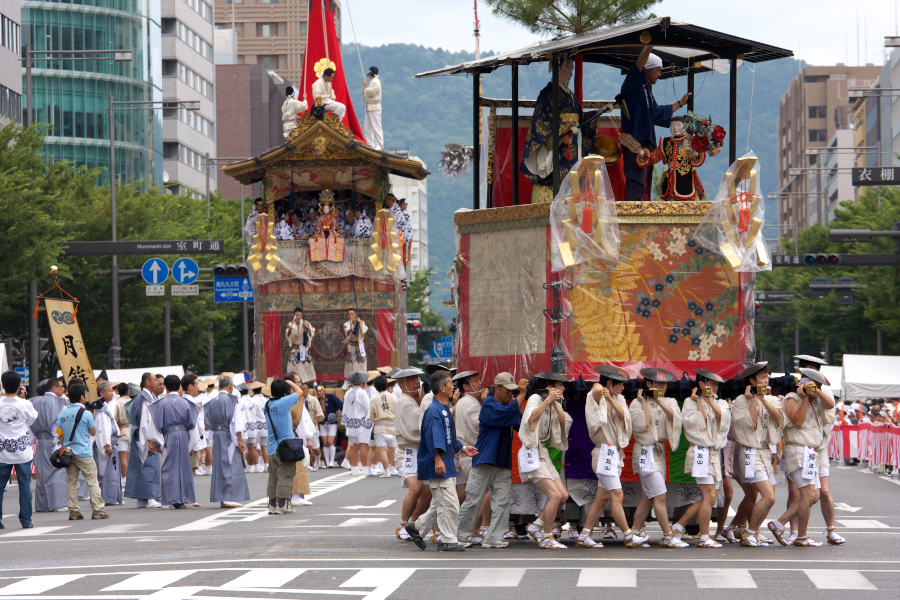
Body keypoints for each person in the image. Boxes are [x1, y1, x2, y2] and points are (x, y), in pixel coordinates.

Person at [405, 370, 479, 551]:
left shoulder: (444, 409)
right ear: (442, 388)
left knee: (441, 502)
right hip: (438, 463)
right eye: (450, 383)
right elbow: (433, 438)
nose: (454, 386)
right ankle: (448, 539)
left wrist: (462, 448)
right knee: (450, 502)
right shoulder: (434, 411)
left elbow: (449, 437)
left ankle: (416, 527)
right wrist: (438, 459)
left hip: (445, 462)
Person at [579, 366, 648, 549]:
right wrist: (602, 389)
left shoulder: (619, 399)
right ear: (610, 383)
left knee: (602, 498)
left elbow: (625, 417)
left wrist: (611, 398)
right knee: (617, 494)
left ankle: (585, 535)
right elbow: (596, 389)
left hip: (615, 453)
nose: (623, 388)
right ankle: (628, 535)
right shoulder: (594, 396)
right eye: (620, 384)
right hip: (603, 452)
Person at [456, 372, 526, 549]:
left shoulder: (508, 407)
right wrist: (522, 396)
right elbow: (504, 415)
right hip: (485, 459)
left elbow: (522, 424)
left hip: (502, 461)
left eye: (514, 391)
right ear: (499, 388)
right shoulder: (488, 404)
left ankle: (494, 537)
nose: (511, 393)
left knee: (502, 501)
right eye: (508, 390)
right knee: (473, 499)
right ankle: (461, 535)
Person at [768, 368, 833, 547]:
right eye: (813, 385)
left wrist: (817, 392)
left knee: (814, 495)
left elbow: (831, 405)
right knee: (807, 494)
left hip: (811, 452)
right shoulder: (792, 398)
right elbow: (798, 421)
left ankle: (779, 523)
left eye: (818, 386)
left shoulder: (816, 399)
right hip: (798, 450)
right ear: (802, 384)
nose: (815, 389)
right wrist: (804, 398)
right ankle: (801, 536)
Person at [619, 45, 691, 201]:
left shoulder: (646, 89)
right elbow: (638, 66)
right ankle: (633, 222)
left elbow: (656, 114)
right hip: (635, 146)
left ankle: (641, 220)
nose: (659, 74)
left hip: (646, 148)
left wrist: (680, 103)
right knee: (636, 185)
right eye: (657, 70)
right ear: (647, 69)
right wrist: (649, 43)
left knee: (644, 186)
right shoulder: (633, 85)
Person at [520, 58, 596, 203]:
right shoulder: (547, 94)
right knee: (553, 181)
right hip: (556, 148)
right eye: (566, 69)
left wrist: (596, 114)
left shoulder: (570, 95)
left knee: (573, 179)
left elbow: (580, 118)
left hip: (572, 145)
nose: (570, 73)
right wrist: (564, 129)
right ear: (556, 69)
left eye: (571, 69)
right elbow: (541, 123)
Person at [629, 368, 686, 548]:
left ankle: (635, 532)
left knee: (649, 496)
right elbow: (641, 425)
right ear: (649, 384)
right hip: (645, 451)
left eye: (664, 384)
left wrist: (658, 401)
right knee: (660, 496)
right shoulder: (636, 403)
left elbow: (676, 418)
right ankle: (668, 535)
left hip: (659, 451)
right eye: (658, 383)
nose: (662, 387)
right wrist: (645, 402)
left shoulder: (669, 401)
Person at [731, 362, 784, 547]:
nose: (766, 379)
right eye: (761, 377)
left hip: (765, 452)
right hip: (750, 452)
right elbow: (750, 423)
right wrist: (752, 399)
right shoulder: (740, 401)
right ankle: (750, 532)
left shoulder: (772, 399)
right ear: (752, 380)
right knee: (768, 496)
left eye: (767, 376)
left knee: (760, 495)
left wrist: (762, 399)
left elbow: (779, 419)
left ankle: (751, 529)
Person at [677, 369, 732, 548]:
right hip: (700, 452)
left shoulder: (722, 402)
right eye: (711, 383)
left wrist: (708, 401)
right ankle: (704, 536)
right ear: (701, 384)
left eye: (717, 384)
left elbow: (722, 420)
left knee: (710, 496)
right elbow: (694, 424)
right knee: (708, 495)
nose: (715, 387)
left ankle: (678, 527)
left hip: (714, 454)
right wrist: (699, 401)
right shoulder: (689, 402)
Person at [518, 372, 573, 550]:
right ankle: (547, 536)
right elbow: (530, 419)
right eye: (560, 385)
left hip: (543, 452)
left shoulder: (555, 403)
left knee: (563, 495)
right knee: (555, 495)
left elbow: (566, 422)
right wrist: (548, 400)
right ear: (550, 386)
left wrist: (555, 402)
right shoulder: (535, 398)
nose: (563, 388)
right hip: (531, 451)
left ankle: (536, 525)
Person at [57, 381, 108, 520]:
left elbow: (60, 434)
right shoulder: (86, 414)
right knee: (92, 480)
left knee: (72, 481)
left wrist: (64, 447)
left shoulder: (62, 413)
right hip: (84, 452)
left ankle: (73, 510)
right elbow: (93, 432)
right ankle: (98, 509)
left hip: (68, 452)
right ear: (81, 397)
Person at [635, 115, 716, 200]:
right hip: (670, 185)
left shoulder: (691, 141)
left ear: (684, 126)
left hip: (687, 182)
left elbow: (697, 160)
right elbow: (654, 157)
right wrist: (644, 154)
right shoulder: (665, 142)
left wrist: (697, 154)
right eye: (672, 126)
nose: (675, 128)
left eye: (678, 125)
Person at [149, 374, 197, 509]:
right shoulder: (186, 403)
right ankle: (183, 498)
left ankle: (169, 499)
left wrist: (156, 442)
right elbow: (192, 424)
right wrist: (193, 443)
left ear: (165, 386)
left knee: (168, 467)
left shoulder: (160, 403)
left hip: (168, 436)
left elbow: (155, 425)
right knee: (183, 467)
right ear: (180, 386)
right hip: (183, 435)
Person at [393, 367, 429, 540]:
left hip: (418, 449)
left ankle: (414, 524)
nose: (417, 382)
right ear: (403, 384)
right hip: (407, 451)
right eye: (413, 379)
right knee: (416, 488)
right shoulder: (405, 401)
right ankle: (403, 523)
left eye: (417, 379)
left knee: (427, 491)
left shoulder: (412, 399)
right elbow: (415, 427)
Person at [0, 370, 39, 529]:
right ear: (18, 387)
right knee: (25, 486)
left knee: (0, 487)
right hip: (22, 451)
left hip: (2, 452)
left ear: (2, 385)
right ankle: (26, 519)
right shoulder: (25, 404)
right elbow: (32, 420)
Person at [204, 375, 250, 509]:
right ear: (230, 387)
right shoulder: (232, 400)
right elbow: (237, 422)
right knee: (231, 465)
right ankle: (228, 497)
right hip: (228, 435)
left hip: (217, 435)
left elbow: (207, 423)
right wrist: (240, 440)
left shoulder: (212, 401)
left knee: (220, 466)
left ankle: (222, 496)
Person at [264, 378, 304, 514]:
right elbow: (300, 392)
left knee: (273, 477)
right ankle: (283, 504)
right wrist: (290, 382)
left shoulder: (267, 405)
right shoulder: (283, 402)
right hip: (285, 447)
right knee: (286, 476)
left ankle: (272, 505)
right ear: (283, 392)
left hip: (272, 447)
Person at [124, 373, 163, 509]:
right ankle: (150, 497)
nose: (157, 382)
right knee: (149, 466)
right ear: (147, 382)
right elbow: (146, 421)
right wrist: (149, 440)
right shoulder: (145, 398)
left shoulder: (143, 397)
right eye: (154, 380)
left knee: (140, 466)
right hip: (145, 435)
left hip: (139, 434)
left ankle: (142, 498)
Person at [31, 377, 69, 512]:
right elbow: (60, 425)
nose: (63, 389)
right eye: (60, 386)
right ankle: (57, 504)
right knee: (57, 470)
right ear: (53, 388)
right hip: (55, 440)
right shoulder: (61, 402)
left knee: (42, 473)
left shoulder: (33, 401)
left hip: (40, 440)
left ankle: (43, 505)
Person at [450, 371, 486, 503]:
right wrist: (487, 403)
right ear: (466, 387)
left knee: (471, 494)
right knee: (478, 495)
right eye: (476, 381)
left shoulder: (469, 401)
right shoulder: (469, 403)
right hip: (472, 453)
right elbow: (480, 426)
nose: (480, 383)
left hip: (469, 453)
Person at [93, 382, 122, 506]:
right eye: (110, 391)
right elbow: (103, 428)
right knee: (108, 472)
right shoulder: (102, 410)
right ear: (102, 393)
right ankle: (108, 497)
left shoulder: (104, 407)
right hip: (108, 443)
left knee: (112, 471)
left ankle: (111, 496)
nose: (112, 393)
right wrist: (107, 444)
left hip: (112, 442)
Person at [342, 371, 373, 475]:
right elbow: (368, 408)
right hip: (361, 423)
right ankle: (364, 468)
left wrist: (345, 422)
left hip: (351, 423)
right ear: (362, 383)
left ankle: (354, 468)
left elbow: (344, 409)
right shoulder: (362, 392)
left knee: (353, 446)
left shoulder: (348, 393)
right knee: (363, 445)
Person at [369, 375, 397, 477]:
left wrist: (374, 420)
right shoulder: (393, 397)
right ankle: (394, 468)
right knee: (393, 449)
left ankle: (387, 471)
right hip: (392, 426)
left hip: (380, 427)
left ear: (376, 387)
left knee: (382, 450)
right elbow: (398, 412)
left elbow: (372, 415)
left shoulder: (374, 399)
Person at [285, 308, 316, 383]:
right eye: (297, 315)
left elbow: (312, 332)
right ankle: (295, 382)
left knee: (307, 365)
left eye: (300, 315)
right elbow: (288, 335)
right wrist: (289, 330)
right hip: (295, 348)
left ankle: (313, 382)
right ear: (294, 316)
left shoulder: (305, 323)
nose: (298, 317)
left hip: (303, 348)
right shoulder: (291, 324)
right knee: (294, 366)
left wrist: (307, 327)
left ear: (302, 316)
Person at [316, 385, 342, 468]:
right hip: (323, 423)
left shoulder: (331, 397)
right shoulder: (317, 400)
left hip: (332, 422)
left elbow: (341, 405)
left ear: (324, 391)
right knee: (325, 443)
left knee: (330, 441)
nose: (319, 392)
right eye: (318, 391)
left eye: (321, 391)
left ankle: (331, 461)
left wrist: (339, 414)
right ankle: (327, 462)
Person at [112, 382, 132, 485]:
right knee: (128, 455)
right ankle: (128, 477)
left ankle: (125, 477)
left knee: (123, 455)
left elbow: (115, 419)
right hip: (132, 430)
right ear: (128, 390)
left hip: (122, 430)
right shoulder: (132, 401)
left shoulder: (117, 402)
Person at [303, 384, 325, 471]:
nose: (303, 391)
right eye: (302, 389)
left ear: (308, 390)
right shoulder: (298, 400)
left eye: (305, 389)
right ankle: (308, 464)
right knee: (305, 447)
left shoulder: (313, 399)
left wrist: (314, 421)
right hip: (302, 428)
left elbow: (320, 414)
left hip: (312, 428)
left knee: (315, 448)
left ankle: (319, 460)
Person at [342, 308, 369, 378]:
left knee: (361, 364)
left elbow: (364, 331)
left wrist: (359, 324)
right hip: (351, 346)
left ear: (355, 314)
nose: (350, 315)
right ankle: (349, 380)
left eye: (352, 314)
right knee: (350, 365)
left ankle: (363, 379)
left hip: (360, 346)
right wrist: (353, 327)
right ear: (347, 316)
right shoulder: (346, 324)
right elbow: (348, 332)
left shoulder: (361, 322)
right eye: (349, 314)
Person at [363, 66, 383, 149]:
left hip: (374, 107)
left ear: (372, 74)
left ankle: (379, 144)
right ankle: (370, 143)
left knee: (376, 126)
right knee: (367, 127)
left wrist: (366, 88)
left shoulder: (375, 82)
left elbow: (373, 92)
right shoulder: (373, 81)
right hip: (370, 107)